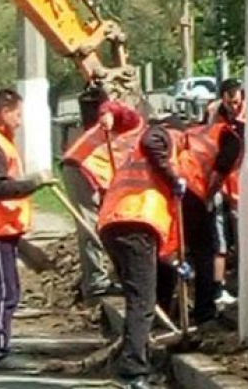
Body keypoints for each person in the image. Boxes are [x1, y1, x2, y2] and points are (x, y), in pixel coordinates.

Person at [0, 88, 54, 371]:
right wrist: (33, 183)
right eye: (17, 114)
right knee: (2, 292)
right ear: (4, 113)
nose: (19, 120)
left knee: (2, 290)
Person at [98, 116, 191, 389]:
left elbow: (168, 231)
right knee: (142, 302)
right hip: (135, 225)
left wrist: (175, 263)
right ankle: (132, 371)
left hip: (118, 224)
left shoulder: (140, 162)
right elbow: (152, 138)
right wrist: (174, 177)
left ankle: (132, 359)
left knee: (137, 298)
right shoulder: (163, 136)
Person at [62, 93, 144, 300]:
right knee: (90, 227)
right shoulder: (133, 122)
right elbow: (111, 107)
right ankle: (95, 283)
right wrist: (106, 113)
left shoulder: (145, 137)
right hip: (82, 168)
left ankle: (107, 276)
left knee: (106, 225)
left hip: (98, 175)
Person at [178, 116, 244, 321]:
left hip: (176, 183)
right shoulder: (233, 141)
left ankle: (166, 305)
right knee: (204, 251)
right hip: (193, 190)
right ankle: (203, 310)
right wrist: (207, 199)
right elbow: (217, 175)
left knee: (176, 247)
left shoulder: (209, 131)